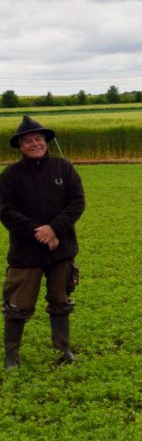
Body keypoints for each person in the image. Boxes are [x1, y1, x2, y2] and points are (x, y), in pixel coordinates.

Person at [1, 116, 85, 369]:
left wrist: (53, 229)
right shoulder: (10, 175)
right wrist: (37, 232)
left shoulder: (64, 168)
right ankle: (11, 356)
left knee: (61, 301)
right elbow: (5, 210)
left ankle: (63, 349)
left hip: (61, 250)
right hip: (26, 254)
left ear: (45, 141)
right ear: (20, 146)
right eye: (28, 141)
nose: (34, 144)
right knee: (18, 305)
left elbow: (77, 203)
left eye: (38, 139)